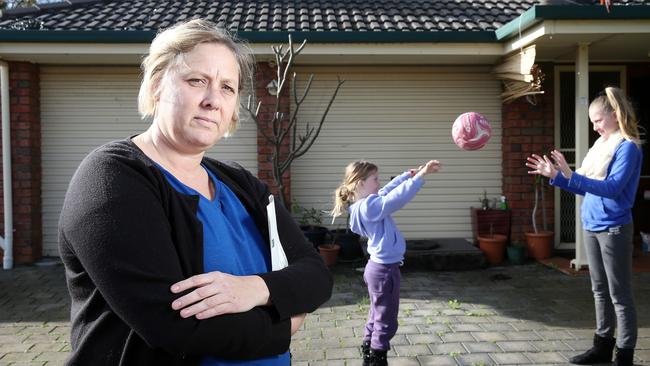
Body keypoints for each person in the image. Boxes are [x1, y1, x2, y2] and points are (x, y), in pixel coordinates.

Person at [58, 19, 332, 366]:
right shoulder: (112, 177)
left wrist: (257, 288)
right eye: (196, 80)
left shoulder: (241, 184)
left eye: (227, 88)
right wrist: (286, 324)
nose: (212, 100)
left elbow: (316, 274)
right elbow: (171, 325)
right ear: (157, 85)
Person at [525, 86, 642, 366]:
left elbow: (612, 189)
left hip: (613, 228)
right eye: (592, 122)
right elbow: (586, 188)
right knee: (599, 290)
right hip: (592, 225)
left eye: (598, 121)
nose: (595, 127)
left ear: (615, 115)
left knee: (620, 295)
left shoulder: (628, 147)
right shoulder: (600, 146)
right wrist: (556, 175)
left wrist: (569, 175)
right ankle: (602, 347)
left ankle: (623, 355)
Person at [331, 159, 441, 366]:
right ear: (360, 183)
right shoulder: (370, 207)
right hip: (384, 271)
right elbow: (395, 199)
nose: (379, 183)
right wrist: (419, 177)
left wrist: (406, 175)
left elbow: (386, 192)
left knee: (376, 313)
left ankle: (368, 351)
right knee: (386, 319)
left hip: (378, 269)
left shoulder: (363, 205)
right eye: (375, 179)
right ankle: (377, 359)